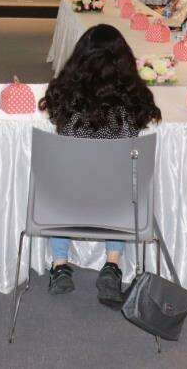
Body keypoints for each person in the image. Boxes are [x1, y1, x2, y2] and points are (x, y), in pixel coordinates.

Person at [38, 24, 162, 306]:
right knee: (122, 181)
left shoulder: (65, 97)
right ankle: (113, 264)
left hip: (68, 199)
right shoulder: (133, 102)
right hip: (114, 201)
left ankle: (59, 264)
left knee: (58, 178)